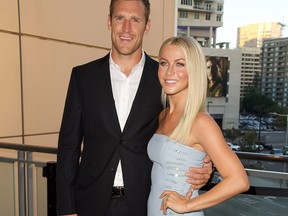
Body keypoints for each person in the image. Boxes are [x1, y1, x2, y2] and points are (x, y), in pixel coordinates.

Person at [56, 1, 213, 216]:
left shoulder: (163, 78)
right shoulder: (83, 77)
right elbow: (68, 148)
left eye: (135, 20)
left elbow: (189, 127)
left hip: (145, 204)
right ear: (109, 21)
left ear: (147, 25)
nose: (127, 28)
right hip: (89, 203)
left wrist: (206, 166)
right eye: (120, 18)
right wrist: (66, 209)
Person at [147, 36, 249, 216]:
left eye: (180, 64)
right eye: (164, 63)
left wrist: (187, 206)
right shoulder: (163, 115)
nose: (169, 72)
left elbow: (239, 180)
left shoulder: (200, 122)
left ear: (193, 70)